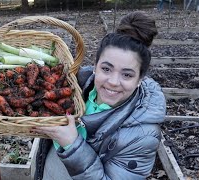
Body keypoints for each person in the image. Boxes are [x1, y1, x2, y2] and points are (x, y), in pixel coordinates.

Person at [32, 11, 166, 180]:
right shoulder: (76, 87)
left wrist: (73, 145)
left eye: (127, 75)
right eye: (106, 69)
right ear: (95, 66)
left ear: (140, 79)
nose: (113, 82)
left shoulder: (143, 135)